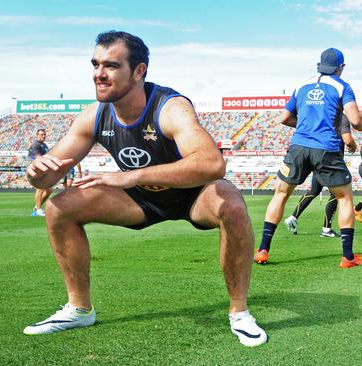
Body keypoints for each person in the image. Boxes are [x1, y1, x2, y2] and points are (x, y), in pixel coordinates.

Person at [23, 31, 266, 347]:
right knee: (58, 206)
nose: (99, 74)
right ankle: (79, 308)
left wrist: (134, 175)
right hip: (140, 201)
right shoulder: (94, 115)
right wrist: (36, 173)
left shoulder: (169, 107)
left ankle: (239, 312)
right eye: (96, 64)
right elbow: (47, 176)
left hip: (194, 195)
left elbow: (212, 165)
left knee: (231, 203)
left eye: (111, 65)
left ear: (139, 71)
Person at [254, 47, 362, 269]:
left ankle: (263, 250)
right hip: (326, 148)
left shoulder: (301, 84)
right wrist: (360, 125)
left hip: (298, 146)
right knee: (344, 198)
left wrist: (306, 125)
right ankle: (347, 257)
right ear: (340, 67)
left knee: (281, 194)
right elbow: (355, 121)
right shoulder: (342, 86)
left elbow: (284, 117)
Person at [283, 115, 357, 238]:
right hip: (331, 160)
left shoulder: (321, 116)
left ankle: (293, 217)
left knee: (314, 190)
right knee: (337, 194)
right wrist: (352, 145)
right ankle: (326, 229)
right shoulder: (341, 117)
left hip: (316, 157)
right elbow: (347, 139)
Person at [28, 129, 53, 216]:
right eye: (41, 134)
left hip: (43, 168)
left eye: (44, 134)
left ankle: (37, 207)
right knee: (40, 189)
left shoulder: (44, 145)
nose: (43, 136)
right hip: (36, 168)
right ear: (37, 135)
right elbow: (38, 158)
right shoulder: (36, 145)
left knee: (49, 190)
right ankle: (38, 210)